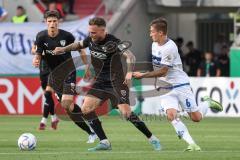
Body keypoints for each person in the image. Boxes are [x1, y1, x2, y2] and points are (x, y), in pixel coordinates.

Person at [53, 17, 161, 151]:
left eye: (94, 32)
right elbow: (78, 45)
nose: (91, 35)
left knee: (126, 113)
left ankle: (152, 138)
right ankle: (104, 142)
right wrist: (63, 49)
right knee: (86, 108)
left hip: (116, 82)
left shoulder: (113, 42)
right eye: (90, 32)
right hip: (100, 82)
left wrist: (128, 73)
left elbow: (130, 56)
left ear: (103, 31)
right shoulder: (90, 39)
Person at [132, 17, 223, 151]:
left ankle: (207, 103)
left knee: (196, 118)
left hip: (180, 85)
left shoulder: (170, 47)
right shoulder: (154, 45)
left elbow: (163, 71)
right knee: (171, 115)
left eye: (152, 31)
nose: (150, 34)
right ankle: (192, 144)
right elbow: (158, 68)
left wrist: (143, 75)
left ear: (161, 33)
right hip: (165, 87)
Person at [32, 10, 100, 144]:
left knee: (67, 102)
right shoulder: (41, 37)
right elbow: (39, 53)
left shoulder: (67, 36)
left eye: (54, 21)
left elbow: (80, 49)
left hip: (69, 72)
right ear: (46, 22)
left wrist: (87, 67)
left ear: (58, 22)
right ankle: (91, 132)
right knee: (67, 108)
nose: (52, 24)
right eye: (49, 21)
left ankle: (93, 125)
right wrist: (36, 59)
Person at [32, 44, 59, 130]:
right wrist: (38, 53)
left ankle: (43, 121)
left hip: (53, 70)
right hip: (43, 71)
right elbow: (33, 50)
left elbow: (59, 52)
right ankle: (54, 118)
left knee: (47, 94)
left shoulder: (56, 40)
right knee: (48, 96)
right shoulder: (39, 39)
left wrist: (48, 52)